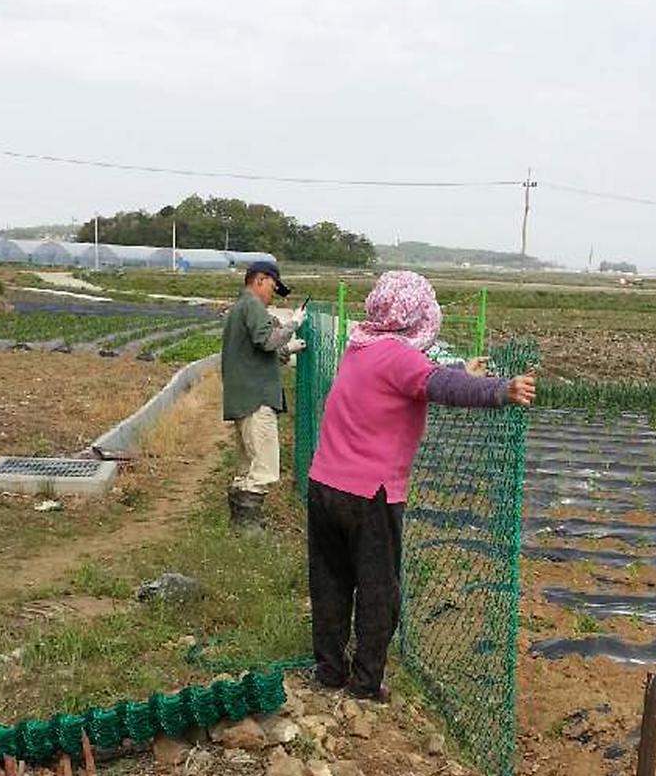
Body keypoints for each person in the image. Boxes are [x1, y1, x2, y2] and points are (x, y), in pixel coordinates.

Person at [307, 271, 535, 701]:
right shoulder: (398, 356)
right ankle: (365, 684)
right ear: (417, 317)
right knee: (378, 591)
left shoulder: (360, 345)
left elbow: (415, 377)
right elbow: (436, 384)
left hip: (324, 484)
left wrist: (459, 370)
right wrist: (499, 390)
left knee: (330, 582)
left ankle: (329, 670)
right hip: (369, 494)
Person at [221, 260, 306, 529]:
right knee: (265, 468)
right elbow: (267, 341)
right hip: (257, 398)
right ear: (259, 280)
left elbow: (257, 352)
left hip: (243, 396)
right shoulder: (253, 305)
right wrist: (292, 325)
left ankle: (240, 525)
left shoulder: (240, 307)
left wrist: (288, 349)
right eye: (272, 286)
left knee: (248, 465)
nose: (273, 295)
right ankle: (248, 528)